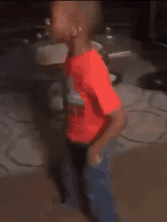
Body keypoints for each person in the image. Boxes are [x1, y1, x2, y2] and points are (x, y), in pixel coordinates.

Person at [50, 1, 126, 221]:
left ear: (75, 28)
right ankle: (72, 200)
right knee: (69, 169)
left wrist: (96, 149)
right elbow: (70, 92)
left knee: (96, 184)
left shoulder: (92, 70)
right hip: (74, 133)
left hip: (95, 139)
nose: (48, 23)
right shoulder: (71, 57)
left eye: (54, 19)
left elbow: (119, 118)